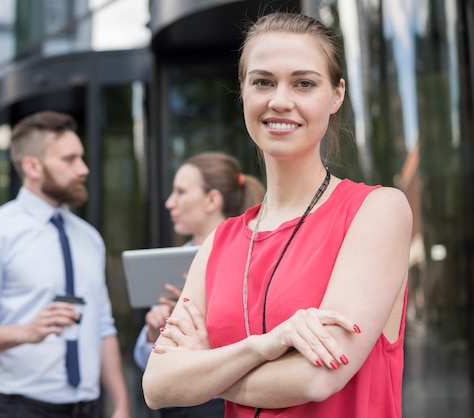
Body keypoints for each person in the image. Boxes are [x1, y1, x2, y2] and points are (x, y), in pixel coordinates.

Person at [142, 12, 412, 418]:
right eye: (263, 82)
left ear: (337, 95)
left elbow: (316, 378)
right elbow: (157, 385)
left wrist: (202, 372)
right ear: (244, 92)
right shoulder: (221, 241)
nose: (280, 100)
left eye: (304, 83)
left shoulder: (377, 210)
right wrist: (262, 347)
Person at [0, 110, 131, 418]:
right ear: (32, 166)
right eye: (69, 159)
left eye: (82, 158)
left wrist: (121, 402)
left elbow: (102, 326)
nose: (83, 169)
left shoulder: (89, 239)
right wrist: (26, 331)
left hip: (90, 409)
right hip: (20, 409)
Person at [133, 151, 265, 417]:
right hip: (175, 405)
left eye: (181, 192)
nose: (170, 202)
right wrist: (153, 332)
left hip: (225, 403)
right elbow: (144, 362)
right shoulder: (171, 264)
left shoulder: (255, 256)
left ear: (212, 199)